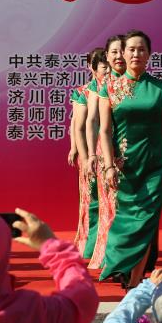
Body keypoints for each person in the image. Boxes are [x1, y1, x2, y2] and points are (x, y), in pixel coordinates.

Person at [98, 30, 162, 288]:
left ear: (149, 55)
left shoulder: (161, 89)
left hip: (155, 166)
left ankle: (135, 281)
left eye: (141, 49)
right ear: (123, 53)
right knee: (124, 221)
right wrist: (108, 165)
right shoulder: (109, 88)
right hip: (124, 167)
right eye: (131, 49)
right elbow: (104, 130)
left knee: (146, 223)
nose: (136, 53)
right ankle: (123, 269)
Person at [86, 35, 126, 269]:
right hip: (107, 153)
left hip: (134, 153)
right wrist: (91, 154)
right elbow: (92, 121)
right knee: (110, 205)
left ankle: (133, 257)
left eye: (123, 51)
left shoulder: (137, 83)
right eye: (114, 52)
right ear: (107, 57)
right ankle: (109, 256)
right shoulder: (100, 86)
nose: (120, 56)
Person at [69, 48, 107, 256]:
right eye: (103, 66)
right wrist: (81, 154)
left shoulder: (116, 88)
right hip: (92, 153)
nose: (107, 70)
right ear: (91, 67)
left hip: (110, 152)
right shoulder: (84, 92)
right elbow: (77, 125)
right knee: (92, 201)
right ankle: (90, 246)